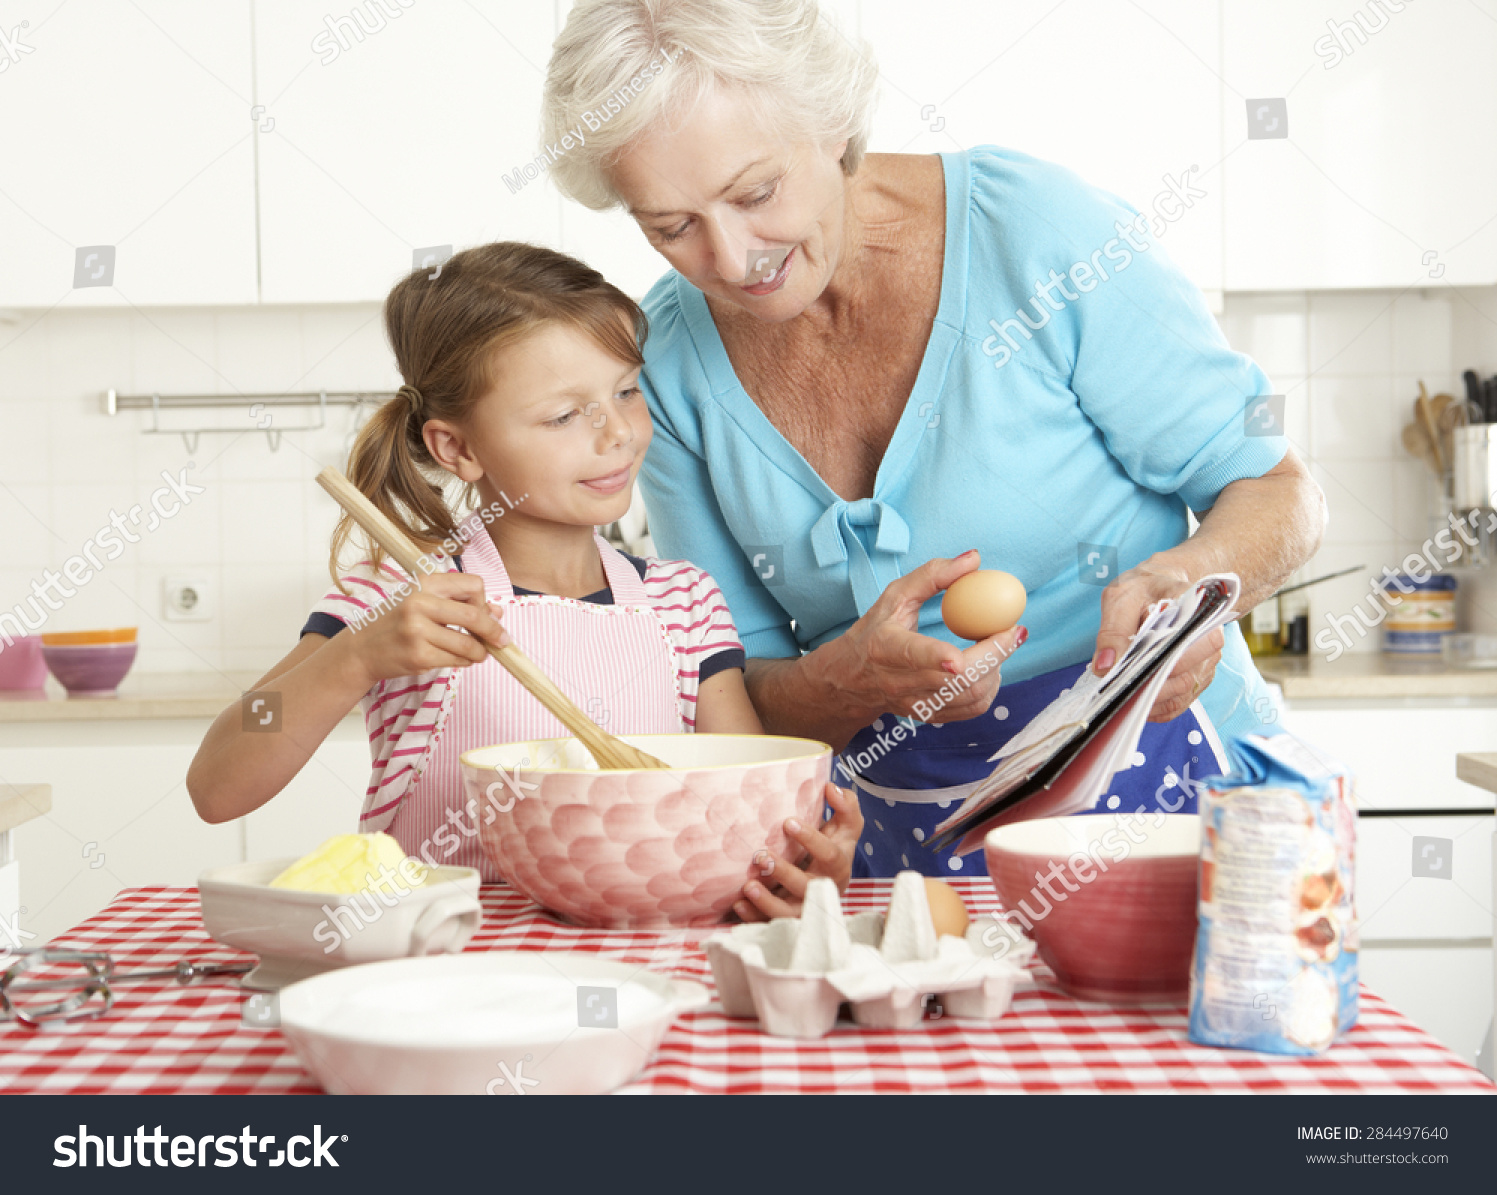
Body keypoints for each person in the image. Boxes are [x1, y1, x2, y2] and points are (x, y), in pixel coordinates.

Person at [541, 0, 1326, 884]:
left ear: (832, 124)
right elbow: (733, 683)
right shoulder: (669, 362)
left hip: (1172, 790)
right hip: (896, 846)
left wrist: (1187, 585)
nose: (730, 257)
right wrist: (846, 678)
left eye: (756, 193)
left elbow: (1279, 487)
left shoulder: (1034, 233)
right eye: (671, 225)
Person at [186, 242, 862, 896]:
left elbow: (745, 807)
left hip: (630, 960)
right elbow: (218, 785)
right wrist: (356, 658)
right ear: (457, 446)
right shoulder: (398, 602)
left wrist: (803, 864)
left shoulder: (682, 605)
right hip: (439, 973)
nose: (617, 432)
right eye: (566, 414)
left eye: (627, 390)